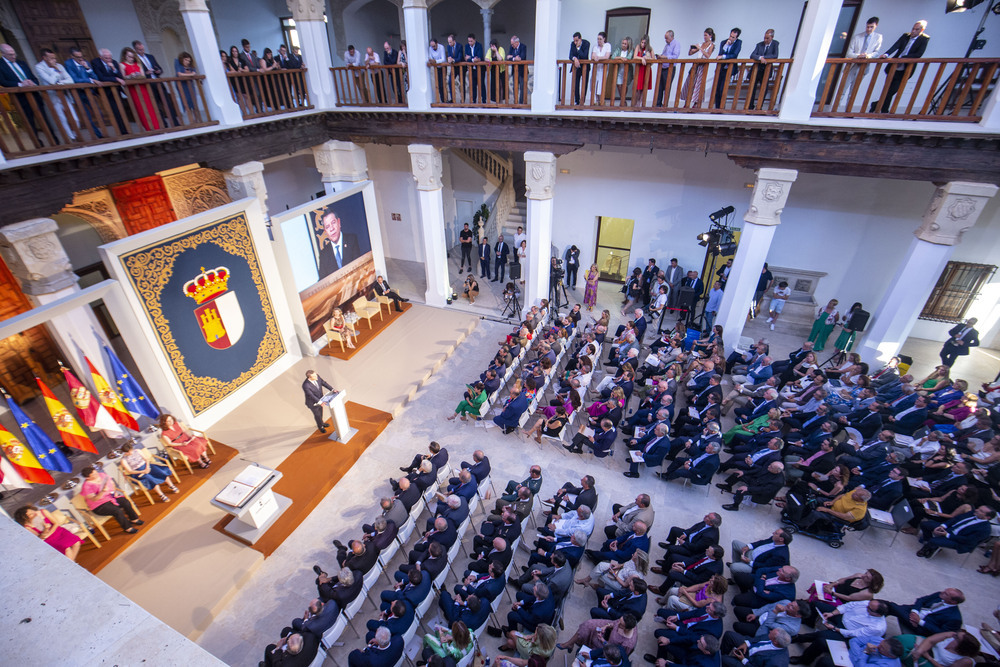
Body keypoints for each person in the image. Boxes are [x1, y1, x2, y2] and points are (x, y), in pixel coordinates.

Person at [873, 21, 930, 113]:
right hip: (894, 66)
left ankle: (876, 104)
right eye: (913, 28)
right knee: (887, 88)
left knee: (893, 90)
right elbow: (895, 46)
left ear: (922, 30)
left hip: (905, 68)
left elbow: (918, 54)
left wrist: (903, 58)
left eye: (917, 29)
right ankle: (884, 110)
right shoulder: (905, 36)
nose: (913, 31)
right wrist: (886, 54)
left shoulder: (924, 39)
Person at [78, 465, 143, 534]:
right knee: (117, 511)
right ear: (88, 477)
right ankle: (127, 528)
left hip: (110, 497)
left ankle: (134, 519)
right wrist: (102, 491)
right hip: (99, 505)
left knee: (125, 502)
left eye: (96, 472)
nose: (97, 474)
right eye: (94, 474)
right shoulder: (86, 486)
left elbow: (112, 483)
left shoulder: (102, 475)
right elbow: (94, 499)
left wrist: (114, 492)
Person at [34, 48, 78, 142]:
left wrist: (60, 83)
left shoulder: (60, 66)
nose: (54, 60)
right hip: (52, 96)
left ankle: (75, 134)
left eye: (54, 57)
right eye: (51, 58)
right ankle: (70, 138)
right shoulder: (39, 67)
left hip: (64, 94)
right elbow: (51, 81)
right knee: (62, 119)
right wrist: (55, 71)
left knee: (75, 118)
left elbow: (70, 80)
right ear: (44, 58)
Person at [840, 17, 883, 110]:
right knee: (843, 89)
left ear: (876, 26)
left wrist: (868, 56)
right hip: (852, 65)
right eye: (867, 27)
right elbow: (849, 53)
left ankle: (848, 111)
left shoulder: (878, 37)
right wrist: (858, 56)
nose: (868, 29)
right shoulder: (857, 37)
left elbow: (876, 52)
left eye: (871, 27)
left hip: (864, 66)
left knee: (853, 90)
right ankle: (835, 109)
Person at [15, 505, 84, 560]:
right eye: (31, 514)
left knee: (77, 543)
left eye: (33, 511)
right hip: (49, 540)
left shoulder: (43, 512)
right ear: (25, 519)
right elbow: (40, 538)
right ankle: (72, 564)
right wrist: (46, 529)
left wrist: (49, 532)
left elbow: (56, 523)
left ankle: (72, 563)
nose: (34, 513)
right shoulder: (27, 527)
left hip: (59, 531)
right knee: (67, 549)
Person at [120, 47, 160, 131]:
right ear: (124, 56)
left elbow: (143, 75)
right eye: (129, 56)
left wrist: (138, 76)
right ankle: (148, 127)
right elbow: (123, 77)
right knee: (140, 108)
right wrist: (130, 76)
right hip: (133, 89)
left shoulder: (137, 64)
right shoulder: (122, 65)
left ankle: (156, 126)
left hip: (143, 87)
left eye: (132, 56)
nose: (131, 58)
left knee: (150, 107)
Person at [316, 204, 361, 276]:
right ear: (325, 231)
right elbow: (322, 280)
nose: (331, 228)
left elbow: (360, 268)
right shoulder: (323, 255)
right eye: (327, 227)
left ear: (339, 222)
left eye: (333, 223)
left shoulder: (352, 240)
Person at [681, 29, 715, 108]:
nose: (704, 37)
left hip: (703, 66)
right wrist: (692, 48)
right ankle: (687, 102)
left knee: (699, 84)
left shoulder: (711, 45)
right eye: (704, 35)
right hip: (696, 65)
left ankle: (696, 103)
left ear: (710, 36)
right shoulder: (701, 44)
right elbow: (690, 53)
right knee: (690, 83)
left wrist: (700, 49)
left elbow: (708, 55)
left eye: (706, 35)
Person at [747, 30, 779, 110]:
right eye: (764, 38)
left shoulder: (775, 44)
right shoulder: (759, 45)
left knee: (764, 88)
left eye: (767, 38)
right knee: (752, 88)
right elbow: (752, 55)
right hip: (756, 70)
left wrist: (764, 58)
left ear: (772, 37)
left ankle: (759, 106)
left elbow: (775, 55)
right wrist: (760, 58)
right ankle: (750, 106)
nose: (765, 40)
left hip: (766, 70)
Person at [712, 28, 743, 109]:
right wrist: (726, 46)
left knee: (722, 88)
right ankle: (717, 108)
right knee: (717, 88)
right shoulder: (723, 42)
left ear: (736, 38)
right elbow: (720, 54)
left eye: (733, 37)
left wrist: (724, 57)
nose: (731, 38)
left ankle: (722, 107)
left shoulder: (738, 43)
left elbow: (734, 55)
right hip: (721, 68)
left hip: (730, 69)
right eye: (730, 36)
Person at [654, 31, 681, 107]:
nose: (665, 40)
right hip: (663, 67)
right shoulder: (666, 45)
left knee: (667, 87)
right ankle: (658, 104)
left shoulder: (676, 44)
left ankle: (665, 104)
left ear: (671, 37)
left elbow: (675, 56)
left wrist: (665, 57)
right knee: (660, 86)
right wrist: (660, 56)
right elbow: (664, 54)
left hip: (670, 68)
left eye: (667, 38)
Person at [569, 33, 591, 105]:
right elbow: (570, 55)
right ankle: (577, 101)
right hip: (576, 67)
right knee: (576, 84)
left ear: (580, 39)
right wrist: (574, 58)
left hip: (585, 67)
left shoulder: (586, 43)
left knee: (584, 84)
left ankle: (582, 101)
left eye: (577, 40)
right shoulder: (572, 44)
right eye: (574, 41)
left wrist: (578, 48)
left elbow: (584, 56)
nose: (575, 42)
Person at [464, 33, 486, 104]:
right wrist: (473, 59)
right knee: (473, 85)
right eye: (469, 41)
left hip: (480, 69)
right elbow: (466, 58)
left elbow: (479, 58)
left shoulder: (479, 45)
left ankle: (484, 100)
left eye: (471, 41)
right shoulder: (467, 46)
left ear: (474, 40)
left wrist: (470, 58)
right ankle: (473, 100)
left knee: (481, 84)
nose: (470, 43)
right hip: (472, 69)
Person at [590, 32, 612, 100]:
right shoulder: (595, 46)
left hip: (603, 68)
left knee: (601, 84)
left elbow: (607, 56)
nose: (599, 40)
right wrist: (595, 57)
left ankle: (601, 100)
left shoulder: (607, 45)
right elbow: (593, 56)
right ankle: (596, 100)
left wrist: (598, 58)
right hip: (596, 68)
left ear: (604, 39)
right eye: (598, 39)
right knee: (594, 83)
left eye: (600, 39)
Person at [507, 35, 528, 105]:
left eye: (513, 44)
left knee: (522, 87)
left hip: (522, 70)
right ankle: (515, 102)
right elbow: (508, 57)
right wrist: (514, 58)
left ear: (517, 42)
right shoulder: (511, 47)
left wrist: (512, 57)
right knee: (515, 87)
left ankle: (521, 102)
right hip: (514, 71)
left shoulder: (523, 47)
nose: (512, 45)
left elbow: (522, 57)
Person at [428, 37, 447, 102]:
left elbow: (443, 59)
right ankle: (442, 100)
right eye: (432, 46)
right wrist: (433, 61)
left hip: (443, 67)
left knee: (443, 83)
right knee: (438, 84)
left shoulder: (441, 47)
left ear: (437, 44)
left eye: (434, 46)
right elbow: (430, 57)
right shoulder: (430, 48)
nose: (433, 47)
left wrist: (435, 61)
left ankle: (445, 99)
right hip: (436, 68)